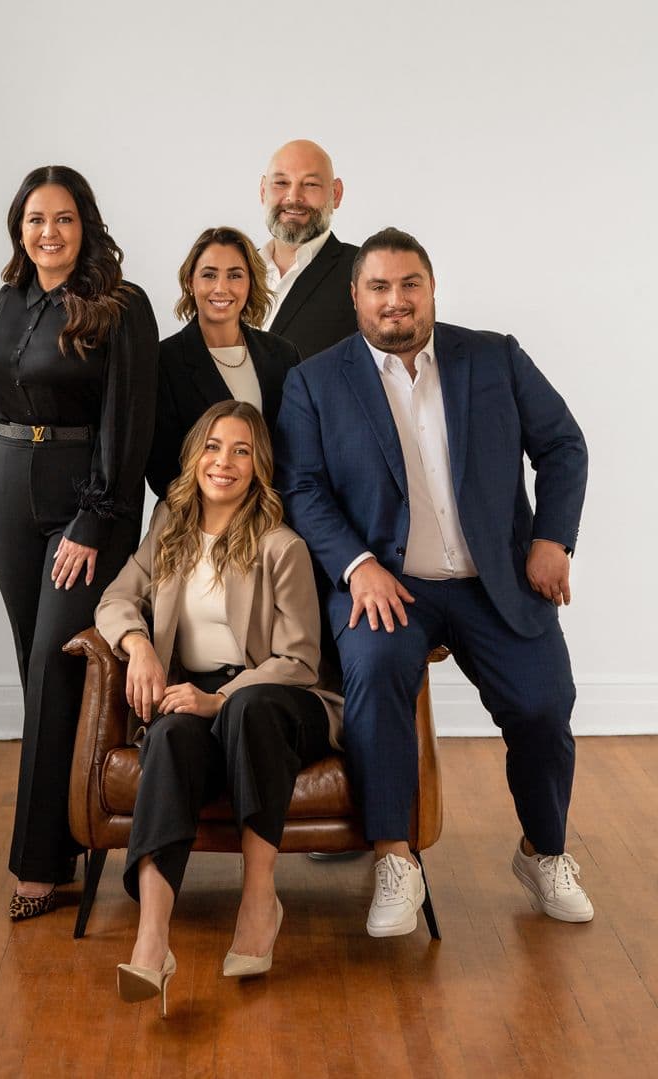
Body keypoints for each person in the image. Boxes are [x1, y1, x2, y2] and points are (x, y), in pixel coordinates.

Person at [274, 226, 593, 937]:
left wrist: (552, 539)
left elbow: (563, 445)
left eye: (409, 285)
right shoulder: (315, 381)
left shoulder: (494, 357)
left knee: (544, 705)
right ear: (356, 296)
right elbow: (301, 488)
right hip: (385, 584)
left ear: (431, 289)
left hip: (493, 580)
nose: (396, 300)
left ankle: (544, 851)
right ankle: (394, 857)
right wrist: (357, 566)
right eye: (379, 287)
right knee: (377, 673)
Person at [0, 165, 159, 920]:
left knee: (56, 664)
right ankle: (68, 836)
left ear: (86, 225)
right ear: (20, 227)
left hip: (83, 502)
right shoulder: (11, 298)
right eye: (36, 219)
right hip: (7, 493)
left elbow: (128, 423)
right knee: (34, 668)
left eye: (64, 218)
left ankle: (38, 864)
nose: (49, 232)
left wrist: (95, 520)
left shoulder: (120, 306)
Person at [95, 400, 341, 1015]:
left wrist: (220, 699)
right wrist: (139, 646)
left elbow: (300, 658)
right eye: (212, 446)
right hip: (195, 694)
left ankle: (259, 900)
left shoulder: (281, 545)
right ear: (194, 457)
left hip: (283, 702)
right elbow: (116, 598)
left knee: (249, 709)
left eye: (240, 451)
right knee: (169, 734)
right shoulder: (169, 528)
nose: (223, 462)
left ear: (259, 466)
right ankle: (152, 941)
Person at [146, 226, 300, 499]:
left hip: (273, 512)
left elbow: (296, 449)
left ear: (251, 282)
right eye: (209, 275)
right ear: (190, 282)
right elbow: (161, 467)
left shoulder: (282, 355)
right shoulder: (163, 361)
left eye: (235, 275)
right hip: (196, 515)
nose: (221, 287)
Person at [259, 139, 358, 358]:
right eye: (281, 183)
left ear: (336, 194)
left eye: (310, 184)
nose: (294, 197)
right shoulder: (235, 272)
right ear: (263, 191)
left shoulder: (364, 272)